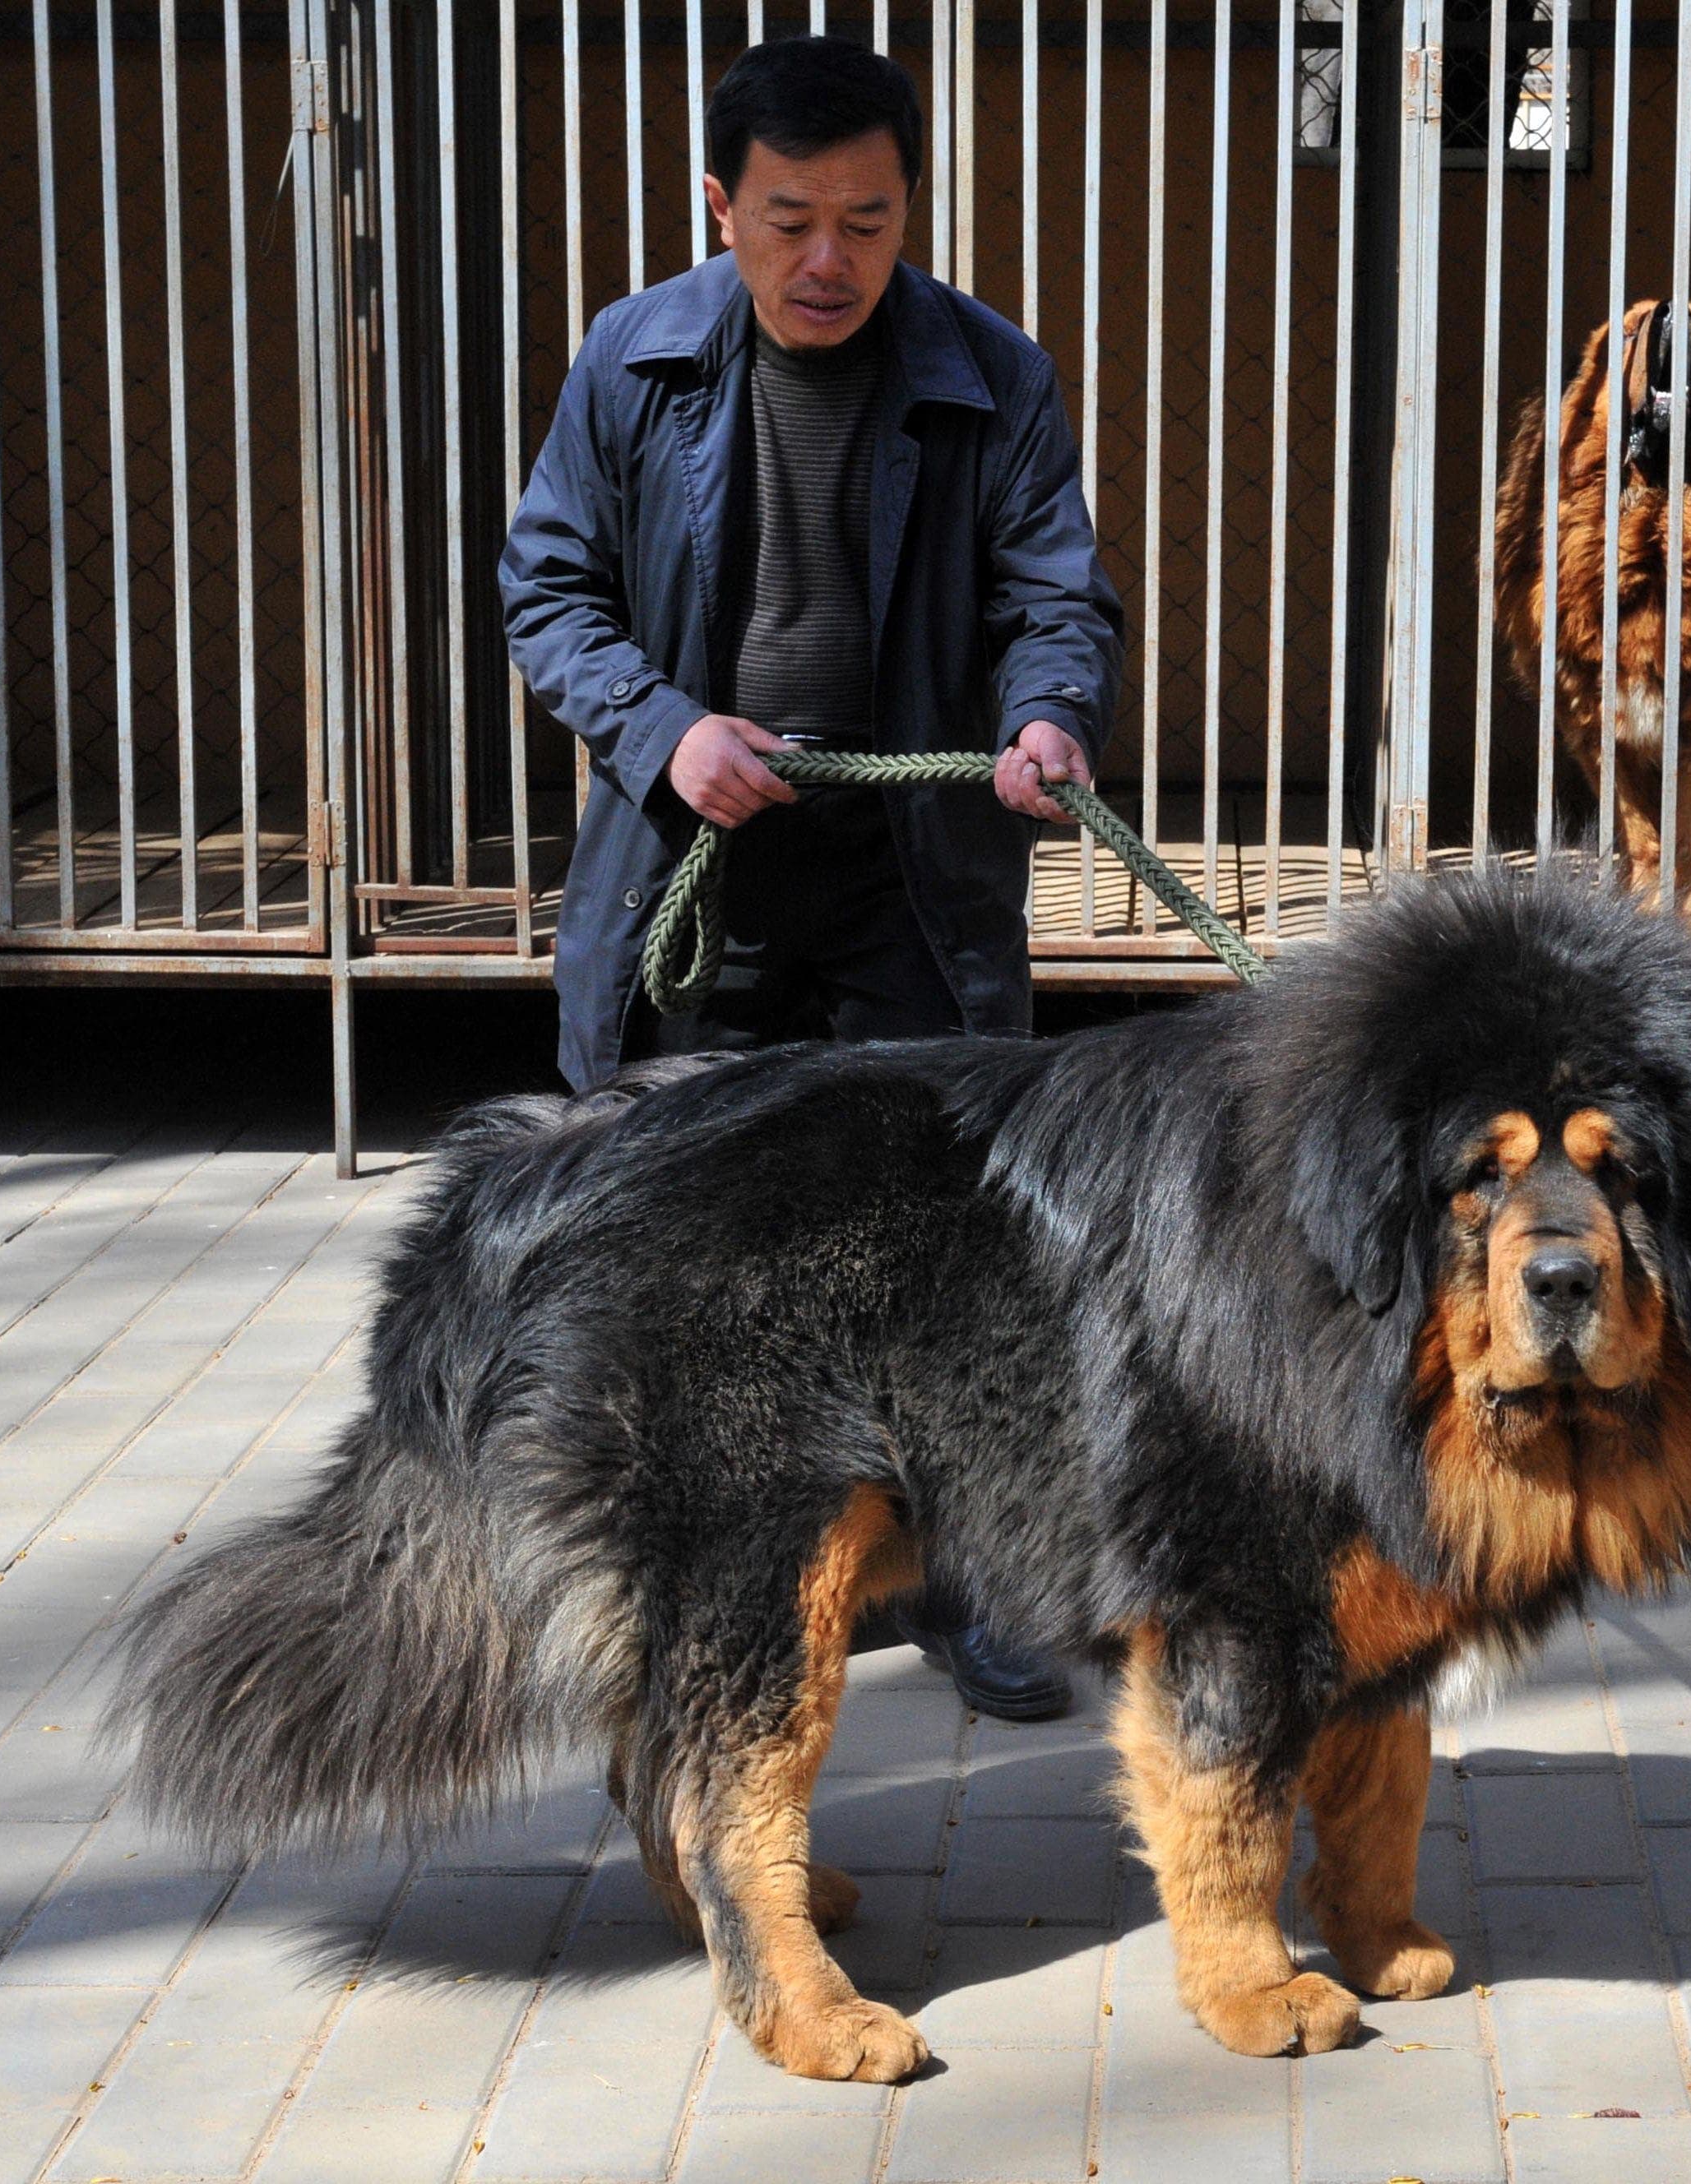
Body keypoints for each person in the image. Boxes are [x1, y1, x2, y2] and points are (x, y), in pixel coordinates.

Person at [500, 35, 1122, 1724]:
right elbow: (547, 590)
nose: (830, 258)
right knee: (672, 1254)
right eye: (789, 221)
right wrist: (658, 726)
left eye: (867, 216)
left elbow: (1053, 595)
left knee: (964, 1262)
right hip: (692, 873)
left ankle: (971, 1581)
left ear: (910, 201)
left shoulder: (992, 373)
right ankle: (670, 1599)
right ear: (721, 208)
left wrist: (1047, 714)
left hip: (912, 877)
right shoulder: (633, 367)